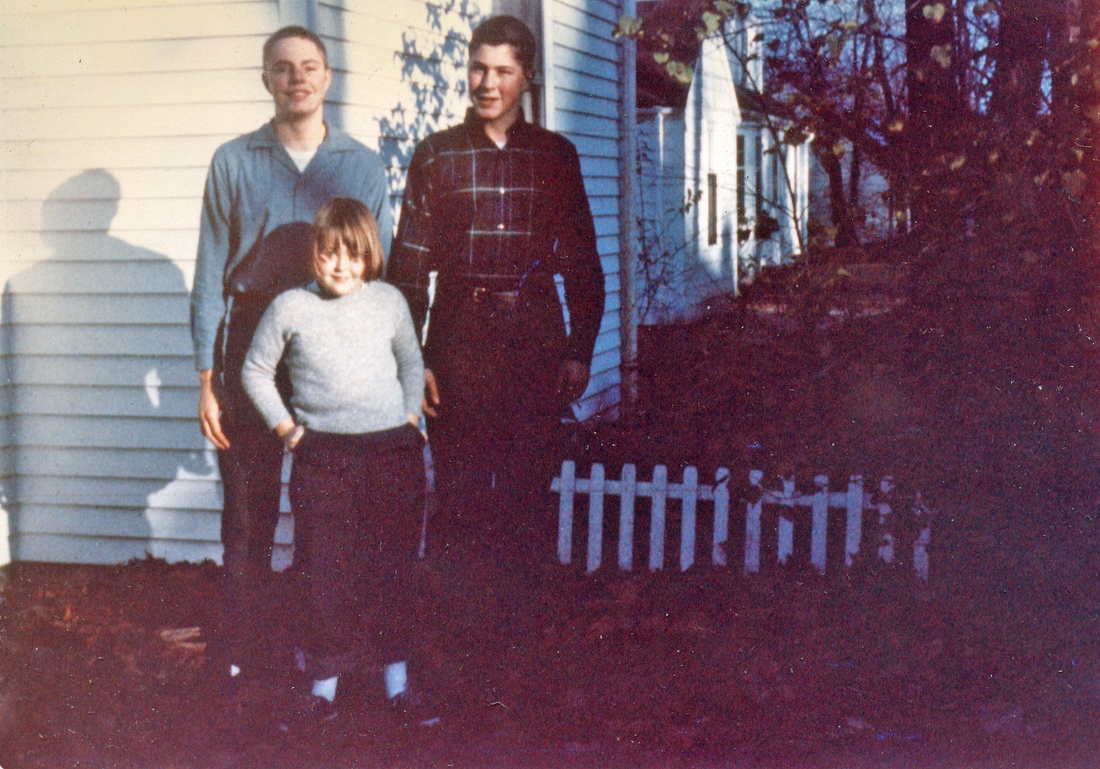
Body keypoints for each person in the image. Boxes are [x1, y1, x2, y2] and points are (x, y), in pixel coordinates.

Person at [189, 25, 394, 683]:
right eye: (283, 68)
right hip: (252, 343)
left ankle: (320, 649)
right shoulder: (232, 160)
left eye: (309, 67)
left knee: (327, 508)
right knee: (248, 509)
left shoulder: (362, 165)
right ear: (266, 80)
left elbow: (381, 273)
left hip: (333, 339)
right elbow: (210, 273)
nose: (297, 78)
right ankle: (244, 651)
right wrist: (205, 376)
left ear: (327, 78)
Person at [387, 16, 605, 600]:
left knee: (529, 488)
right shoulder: (436, 156)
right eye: (478, 68)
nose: (487, 83)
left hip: (536, 337)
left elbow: (583, 262)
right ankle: (458, 637)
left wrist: (579, 349)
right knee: (458, 492)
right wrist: (414, 362)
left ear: (526, 78)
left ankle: (522, 637)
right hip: (458, 339)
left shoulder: (557, 157)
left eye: (503, 71)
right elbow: (406, 271)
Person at [241, 197, 428, 726]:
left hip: (392, 453)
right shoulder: (290, 307)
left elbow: (411, 361)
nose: (341, 266)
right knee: (325, 572)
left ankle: (398, 687)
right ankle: (323, 689)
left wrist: (411, 417)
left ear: (369, 256)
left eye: (353, 255)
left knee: (392, 569)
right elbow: (256, 370)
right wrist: (289, 431)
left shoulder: (389, 301)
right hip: (323, 458)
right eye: (329, 254)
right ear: (314, 256)